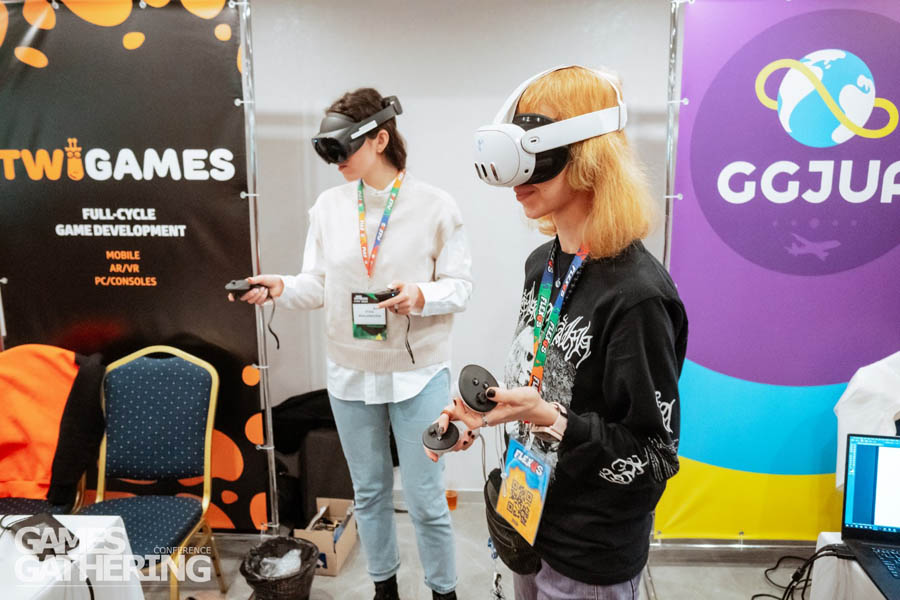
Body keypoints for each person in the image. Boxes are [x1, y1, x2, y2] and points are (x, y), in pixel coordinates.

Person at [428, 66, 688, 599]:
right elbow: (541, 380)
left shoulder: (637, 296)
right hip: (526, 522)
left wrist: (549, 419)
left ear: (590, 158)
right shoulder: (543, 265)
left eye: (536, 159)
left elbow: (655, 457)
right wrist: (482, 412)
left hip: (589, 554)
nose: (518, 179)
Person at [233, 88, 471, 600]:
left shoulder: (436, 207)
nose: (334, 162)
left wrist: (420, 295)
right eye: (328, 149)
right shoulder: (329, 207)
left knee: (427, 499)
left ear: (380, 138)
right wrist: (281, 286)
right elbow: (318, 284)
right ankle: (385, 589)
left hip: (418, 373)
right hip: (350, 375)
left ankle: (443, 592)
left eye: (342, 148)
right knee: (369, 492)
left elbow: (461, 287)